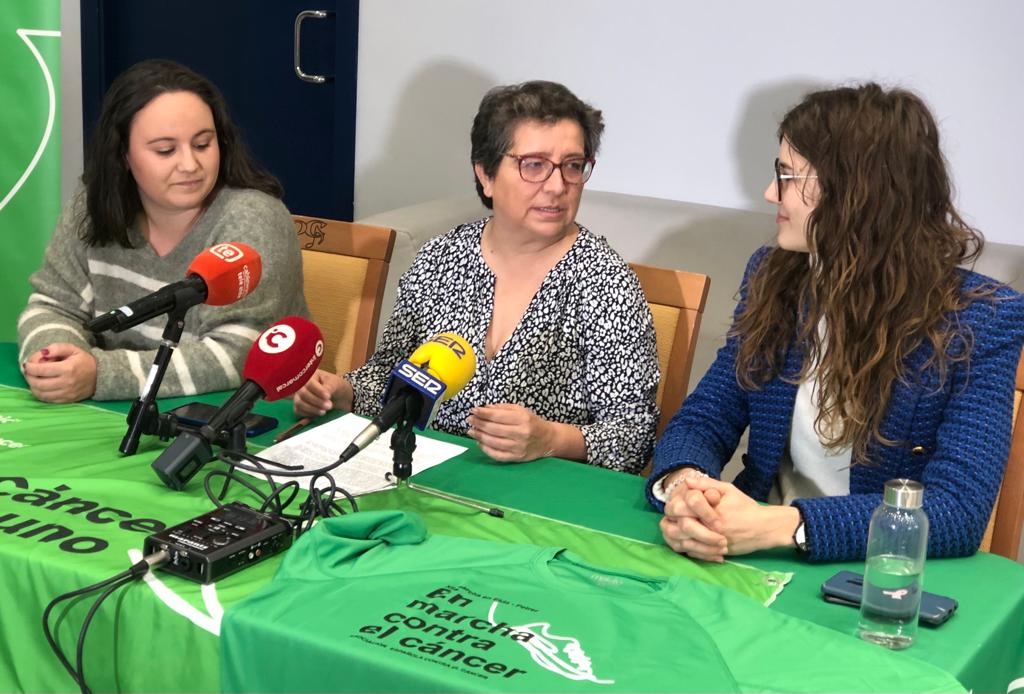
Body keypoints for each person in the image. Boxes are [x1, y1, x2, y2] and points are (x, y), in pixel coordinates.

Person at [648, 83, 1024, 562]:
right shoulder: (773, 277)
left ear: (858, 191)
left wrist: (781, 526)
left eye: (787, 175)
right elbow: (706, 418)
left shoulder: (982, 318)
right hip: (750, 555)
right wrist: (686, 487)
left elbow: (957, 511)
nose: (770, 192)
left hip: (872, 575)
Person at [294, 81, 659, 473]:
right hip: (429, 473)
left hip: (540, 488)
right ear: (486, 174)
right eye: (534, 165)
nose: (557, 186)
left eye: (572, 166)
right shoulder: (439, 258)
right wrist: (343, 392)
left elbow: (634, 436)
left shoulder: (606, 282)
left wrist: (551, 439)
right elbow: (389, 379)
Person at [18, 59, 307, 403]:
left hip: (232, 416)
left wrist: (100, 374)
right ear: (123, 155)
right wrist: (57, 361)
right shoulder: (92, 206)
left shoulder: (253, 217)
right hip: (119, 409)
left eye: (203, 144)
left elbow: (239, 354)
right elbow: (52, 306)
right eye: (165, 150)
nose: (190, 165)